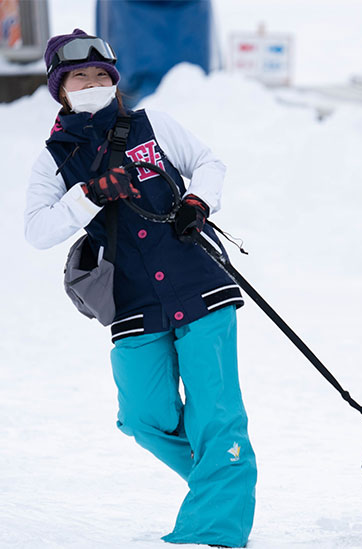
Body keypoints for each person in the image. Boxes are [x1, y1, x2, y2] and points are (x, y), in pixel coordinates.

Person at [24, 29, 256, 548]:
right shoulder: (53, 159)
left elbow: (209, 164)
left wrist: (199, 202)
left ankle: (211, 532)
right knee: (143, 417)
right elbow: (37, 230)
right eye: (80, 76)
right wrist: (88, 194)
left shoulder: (152, 125)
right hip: (131, 302)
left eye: (102, 74)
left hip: (199, 285)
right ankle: (221, 480)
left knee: (216, 415)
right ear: (60, 88)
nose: (93, 82)